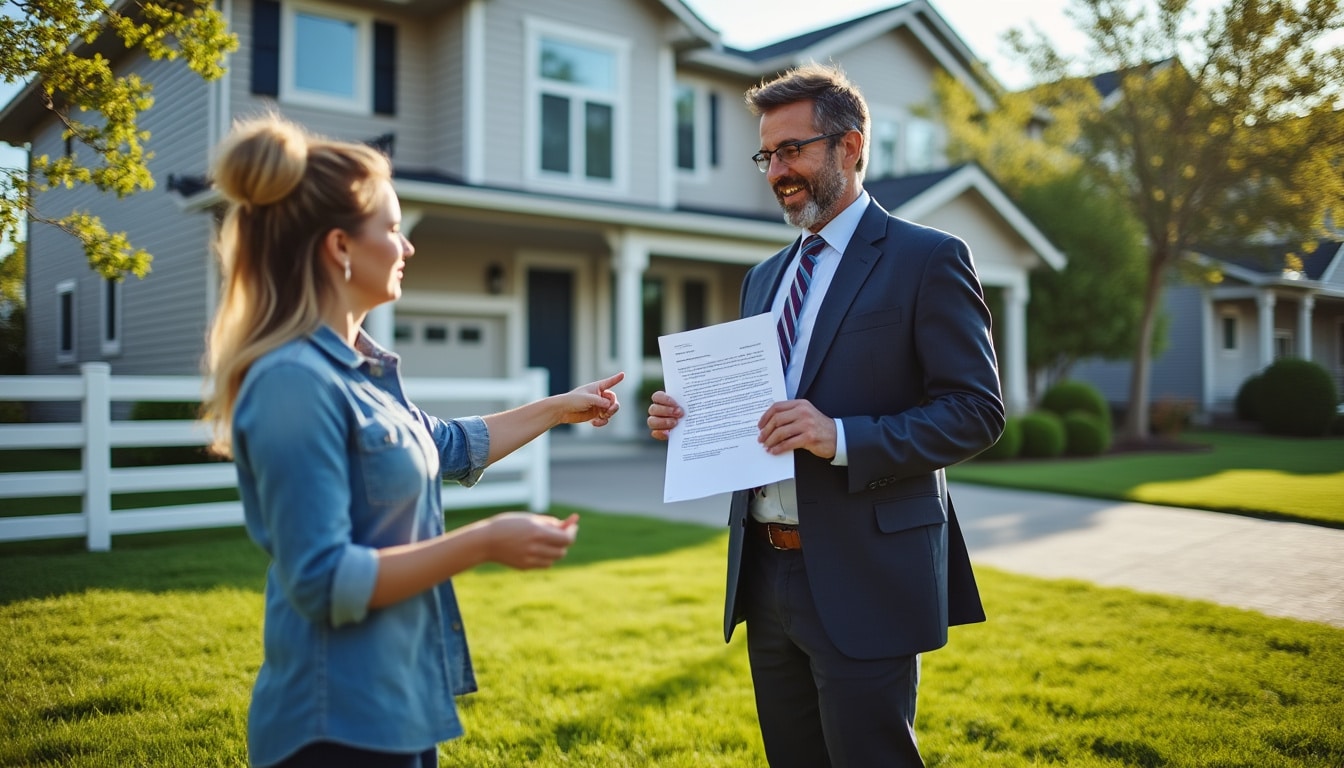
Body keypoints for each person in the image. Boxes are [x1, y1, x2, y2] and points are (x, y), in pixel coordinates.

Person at [201, 114, 623, 768]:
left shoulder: (362, 371)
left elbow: (449, 445)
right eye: (393, 229)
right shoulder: (292, 383)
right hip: (334, 724)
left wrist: (560, 408)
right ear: (340, 247)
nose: (408, 248)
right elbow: (321, 579)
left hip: (398, 699)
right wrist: (483, 541)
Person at [646, 63, 1003, 767]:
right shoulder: (763, 278)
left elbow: (975, 411)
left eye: (793, 150)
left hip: (866, 571)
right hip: (764, 571)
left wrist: (838, 437)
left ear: (851, 146)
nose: (777, 170)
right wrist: (689, 418)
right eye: (767, 154)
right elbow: (759, 411)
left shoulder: (927, 259)